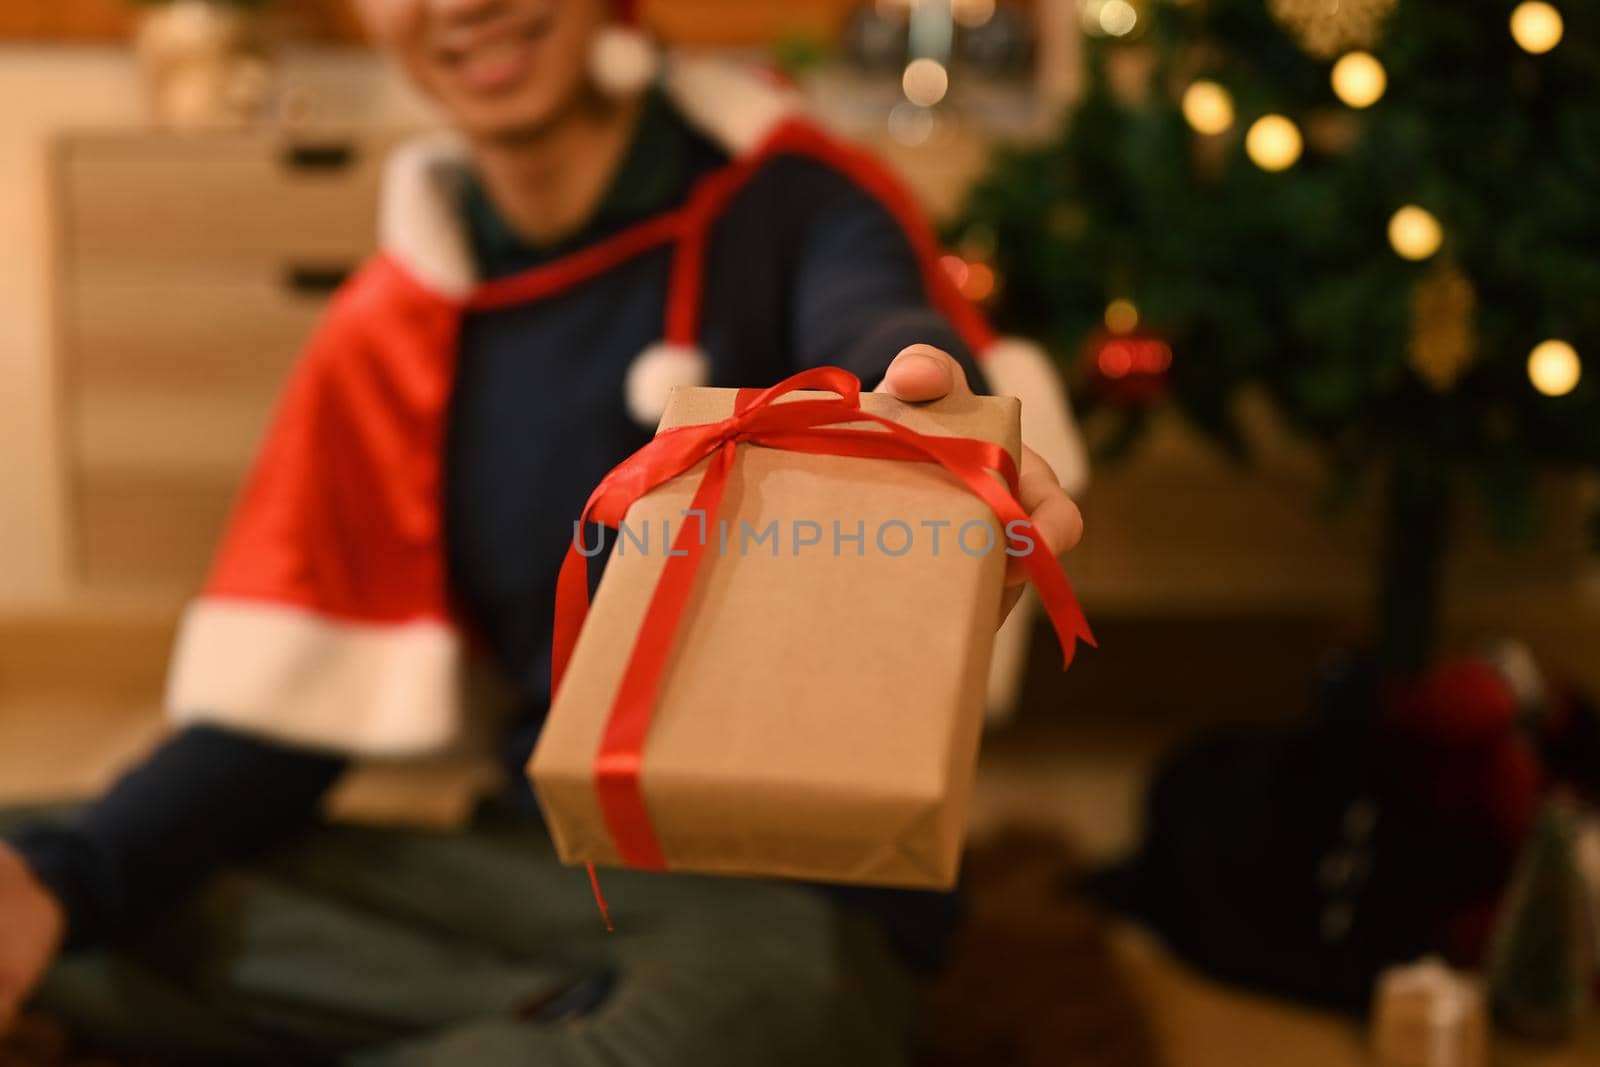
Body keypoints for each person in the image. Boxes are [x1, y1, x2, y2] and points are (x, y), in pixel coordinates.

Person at [0, 0, 1086, 1061]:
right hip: (545, 867)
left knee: (771, 1001)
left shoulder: (797, 206)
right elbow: (286, 725)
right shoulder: (396, 328)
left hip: (790, 905)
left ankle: (523, 1015)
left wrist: (925, 408)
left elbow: (876, 318)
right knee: (44, 850)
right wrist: (60, 879)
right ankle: (543, 1009)